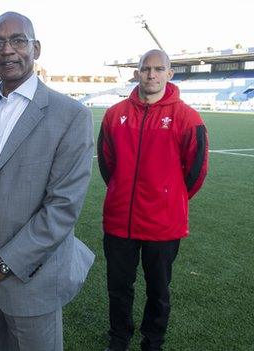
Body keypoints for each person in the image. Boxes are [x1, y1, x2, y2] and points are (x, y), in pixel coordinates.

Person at [0, 12, 95, 351]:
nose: (7, 51)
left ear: (36, 48)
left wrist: (3, 264)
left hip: (32, 282)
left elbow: (62, 209)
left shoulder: (71, 115)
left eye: (18, 40)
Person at [97, 49, 208, 351]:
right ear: (137, 72)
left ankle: (153, 342)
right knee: (119, 288)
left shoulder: (187, 118)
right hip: (120, 221)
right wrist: (121, 190)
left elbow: (195, 172)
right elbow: (108, 164)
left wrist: (169, 198)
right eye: (146, 68)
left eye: (159, 69)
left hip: (163, 224)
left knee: (158, 291)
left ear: (170, 74)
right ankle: (119, 339)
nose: (151, 75)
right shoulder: (114, 114)